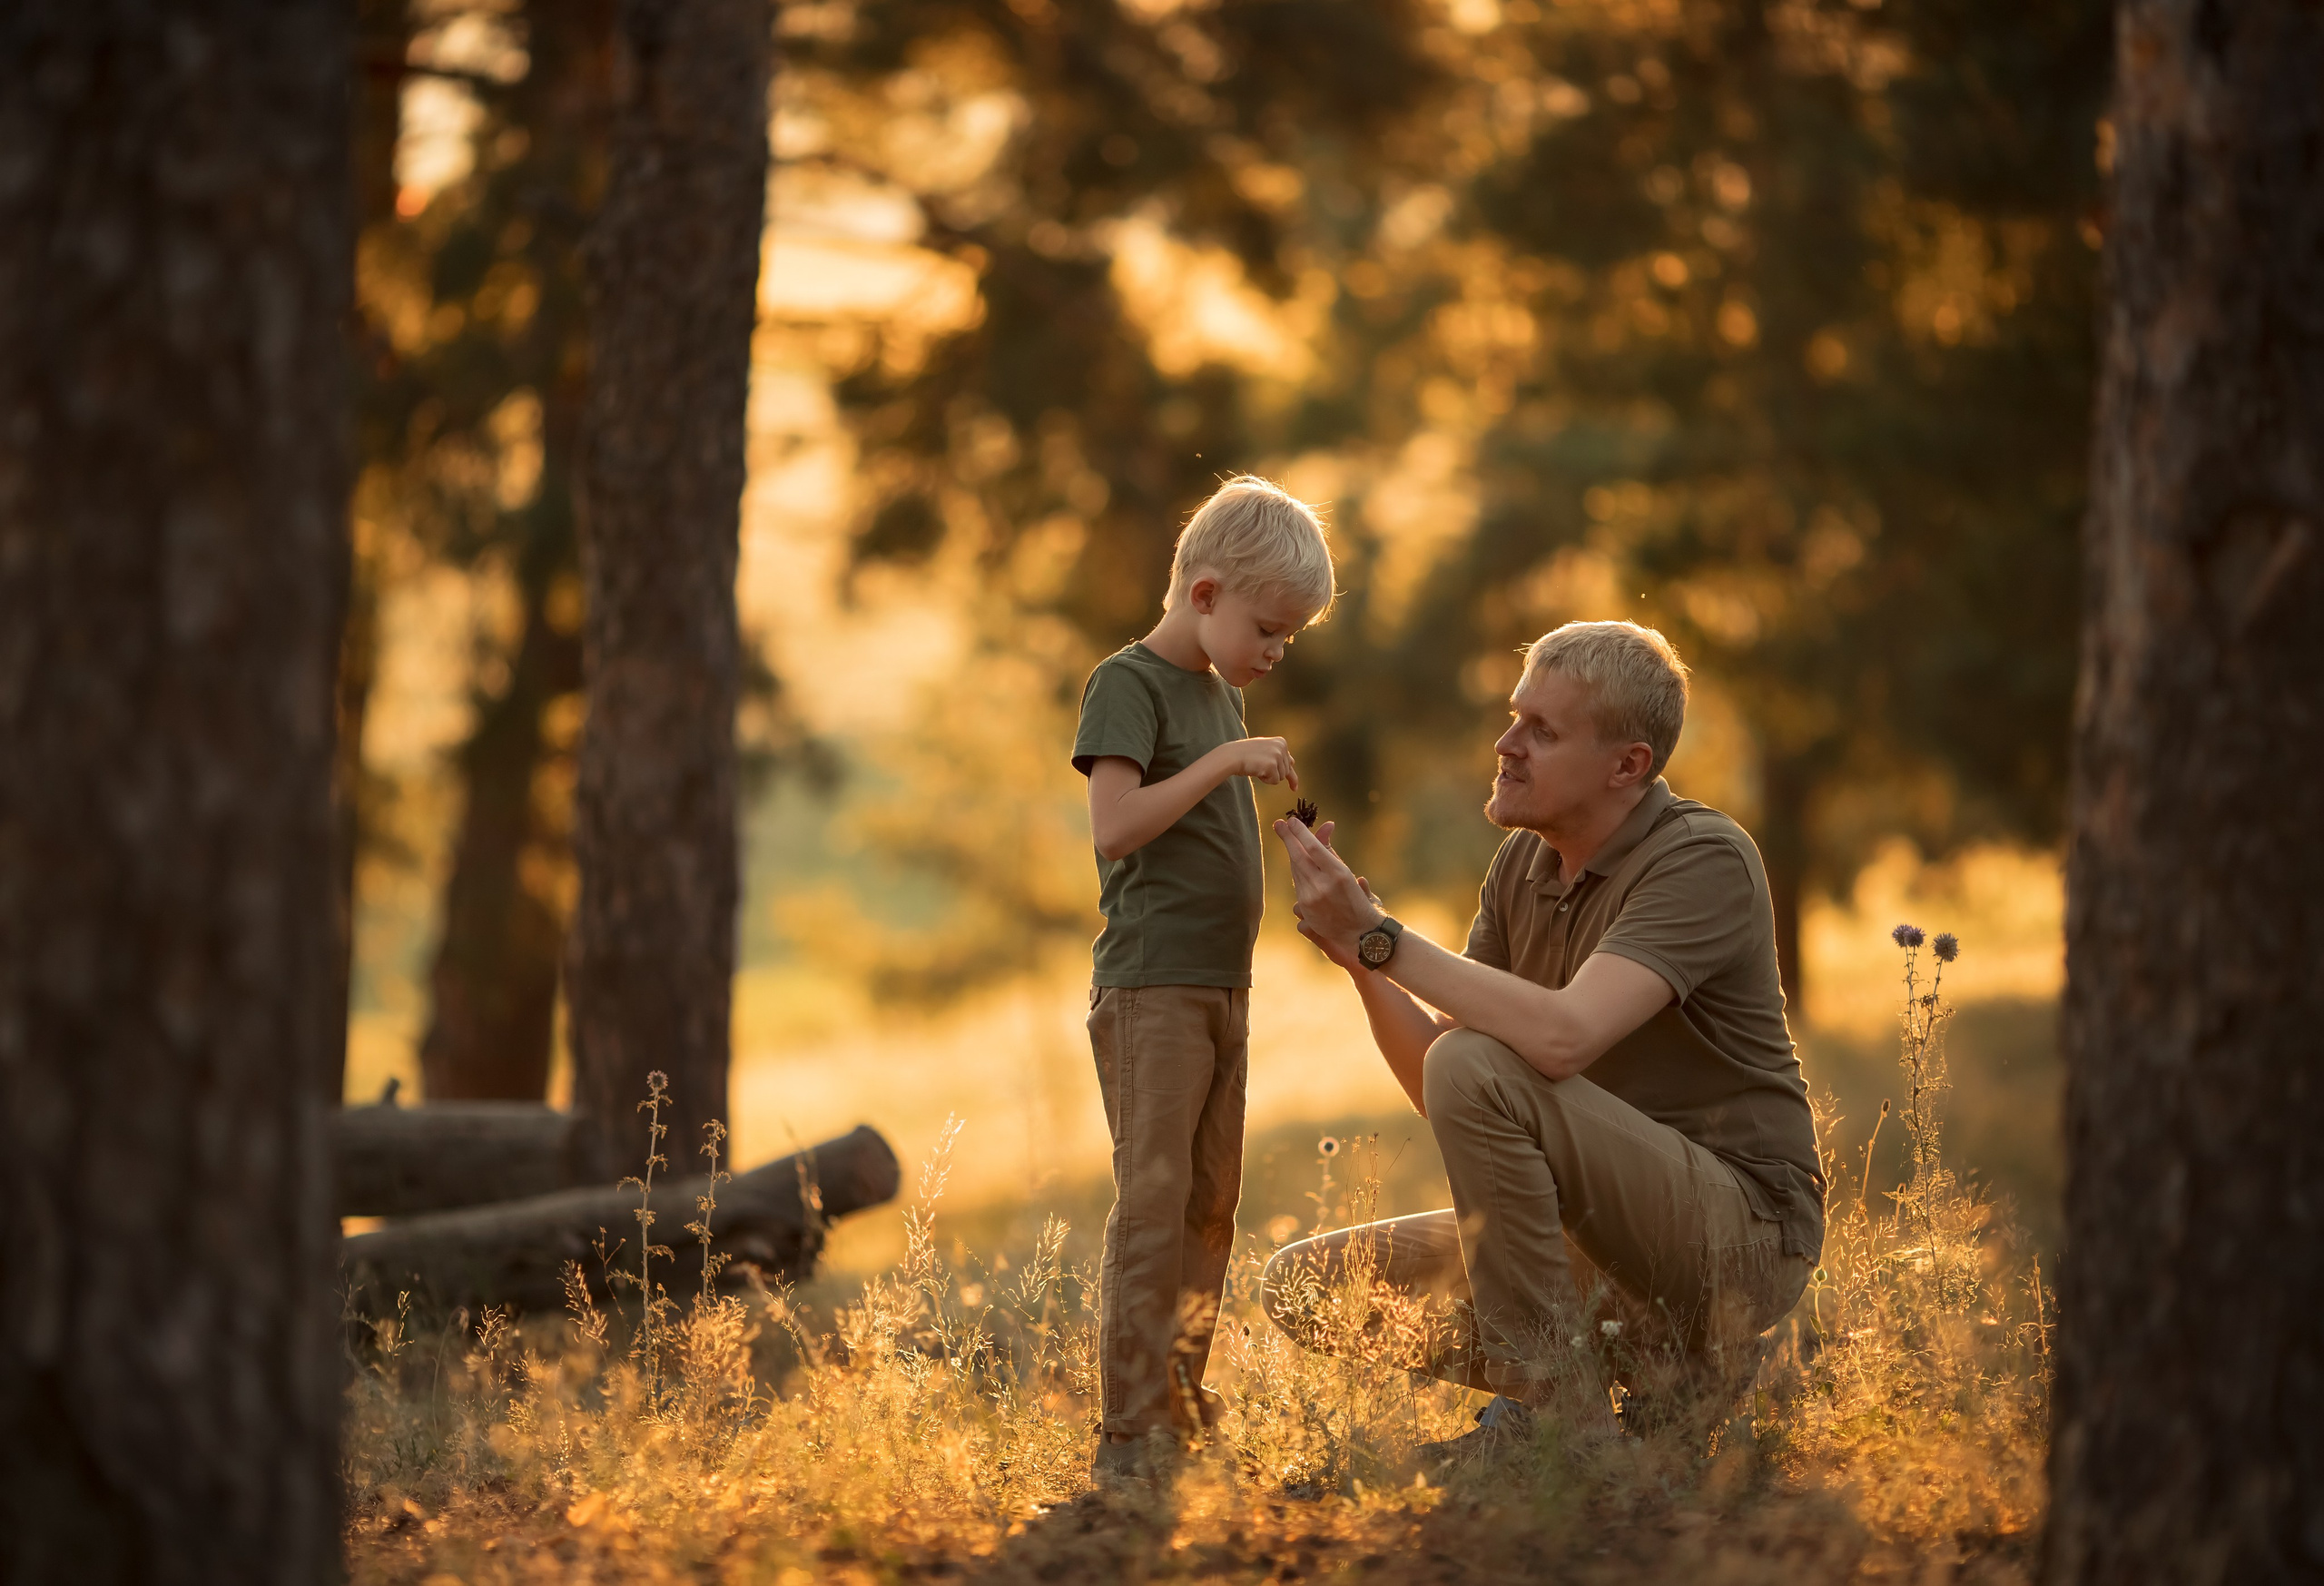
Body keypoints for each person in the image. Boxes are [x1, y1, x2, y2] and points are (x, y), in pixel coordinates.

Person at [1264, 620, 1823, 1460]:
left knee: (1477, 1060)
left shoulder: (1704, 857)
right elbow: (1444, 1083)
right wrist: (1361, 961)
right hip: (1595, 1238)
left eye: (1542, 730)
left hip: (1739, 1233)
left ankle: (1562, 1430)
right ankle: (1658, 1376)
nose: (1506, 744)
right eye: (1514, 716)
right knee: (1305, 1286)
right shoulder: (1522, 866)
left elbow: (1562, 1039)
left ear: (1627, 765)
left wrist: (1384, 934)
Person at [1071, 476, 1335, 1477]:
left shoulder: (1220, 693)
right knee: (1154, 1195)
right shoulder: (1127, 683)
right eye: (1270, 627)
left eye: (1292, 637)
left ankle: (1180, 1391)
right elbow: (1116, 827)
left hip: (1225, 986)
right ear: (1207, 593)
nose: (1277, 651)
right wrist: (1227, 762)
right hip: (1152, 987)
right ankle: (1130, 1425)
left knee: (1211, 1199)